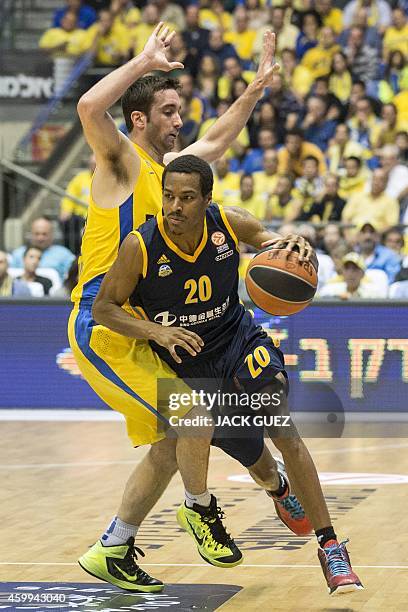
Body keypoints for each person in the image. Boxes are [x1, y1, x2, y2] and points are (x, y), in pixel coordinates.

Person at [68, 24, 295, 591]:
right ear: (141, 120)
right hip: (105, 325)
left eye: (180, 110)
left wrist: (255, 89)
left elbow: (216, 142)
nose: (180, 120)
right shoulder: (119, 161)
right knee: (193, 414)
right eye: (169, 111)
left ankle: (112, 548)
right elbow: (90, 105)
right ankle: (200, 509)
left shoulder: (172, 179)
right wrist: (145, 63)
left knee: (175, 442)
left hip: (144, 331)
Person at [93, 155, 363, 596]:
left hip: (240, 340)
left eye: (186, 198)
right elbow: (103, 308)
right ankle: (276, 489)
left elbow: (273, 244)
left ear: (206, 200)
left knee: (284, 430)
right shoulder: (140, 246)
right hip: (191, 365)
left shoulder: (227, 223)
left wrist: (296, 244)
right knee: (252, 454)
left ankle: (331, 547)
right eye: (168, 196)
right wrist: (155, 331)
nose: (174, 207)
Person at [11, 217, 75, 281]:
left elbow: (75, 275)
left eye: (44, 234)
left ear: (52, 235)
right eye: (37, 234)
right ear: (31, 234)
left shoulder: (64, 255)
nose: (40, 238)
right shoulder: (18, 254)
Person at [342, 168, 400, 236]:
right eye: (374, 179)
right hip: (353, 236)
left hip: (376, 238)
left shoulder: (391, 201)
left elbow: (391, 224)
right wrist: (348, 236)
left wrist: (372, 235)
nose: (376, 182)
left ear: (386, 183)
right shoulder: (357, 196)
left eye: (380, 180)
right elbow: (346, 218)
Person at [318, 252, 385, 298]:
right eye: (347, 269)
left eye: (355, 269)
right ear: (342, 272)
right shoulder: (330, 291)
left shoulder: (373, 294)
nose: (350, 273)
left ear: (362, 273)